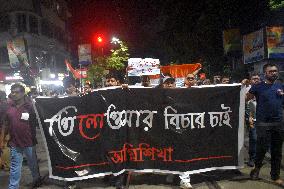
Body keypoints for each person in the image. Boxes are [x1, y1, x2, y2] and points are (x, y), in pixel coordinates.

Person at [246, 63, 284, 186]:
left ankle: (275, 176)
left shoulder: (280, 85)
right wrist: (250, 116)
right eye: (271, 71)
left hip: (278, 123)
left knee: (277, 151)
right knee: (261, 149)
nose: (274, 73)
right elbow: (247, 99)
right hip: (263, 123)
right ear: (265, 73)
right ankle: (256, 168)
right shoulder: (258, 87)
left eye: (275, 71)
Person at [4, 84, 43, 188]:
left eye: (17, 92)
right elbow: (6, 124)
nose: (14, 94)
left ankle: (37, 180)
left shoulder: (31, 107)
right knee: (15, 167)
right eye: (12, 92)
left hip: (29, 142)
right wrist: (2, 138)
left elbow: (39, 121)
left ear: (22, 93)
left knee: (33, 164)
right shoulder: (9, 108)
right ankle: (13, 186)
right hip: (14, 143)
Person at [243, 73, 261, 167]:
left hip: (263, 118)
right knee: (253, 138)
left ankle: (259, 157)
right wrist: (249, 116)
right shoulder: (246, 89)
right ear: (250, 80)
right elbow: (244, 103)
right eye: (254, 79)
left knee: (262, 139)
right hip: (251, 118)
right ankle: (252, 158)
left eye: (258, 78)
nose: (256, 80)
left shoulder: (263, 88)